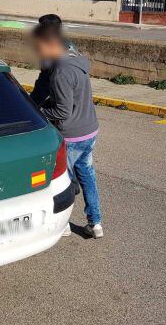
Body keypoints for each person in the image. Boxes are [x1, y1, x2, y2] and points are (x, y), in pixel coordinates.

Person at [31, 21, 103, 239]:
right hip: (90, 131)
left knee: (65, 183)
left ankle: (63, 226)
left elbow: (62, 111)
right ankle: (96, 222)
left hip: (72, 136)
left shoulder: (60, 73)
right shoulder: (78, 62)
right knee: (88, 177)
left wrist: (40, 113)